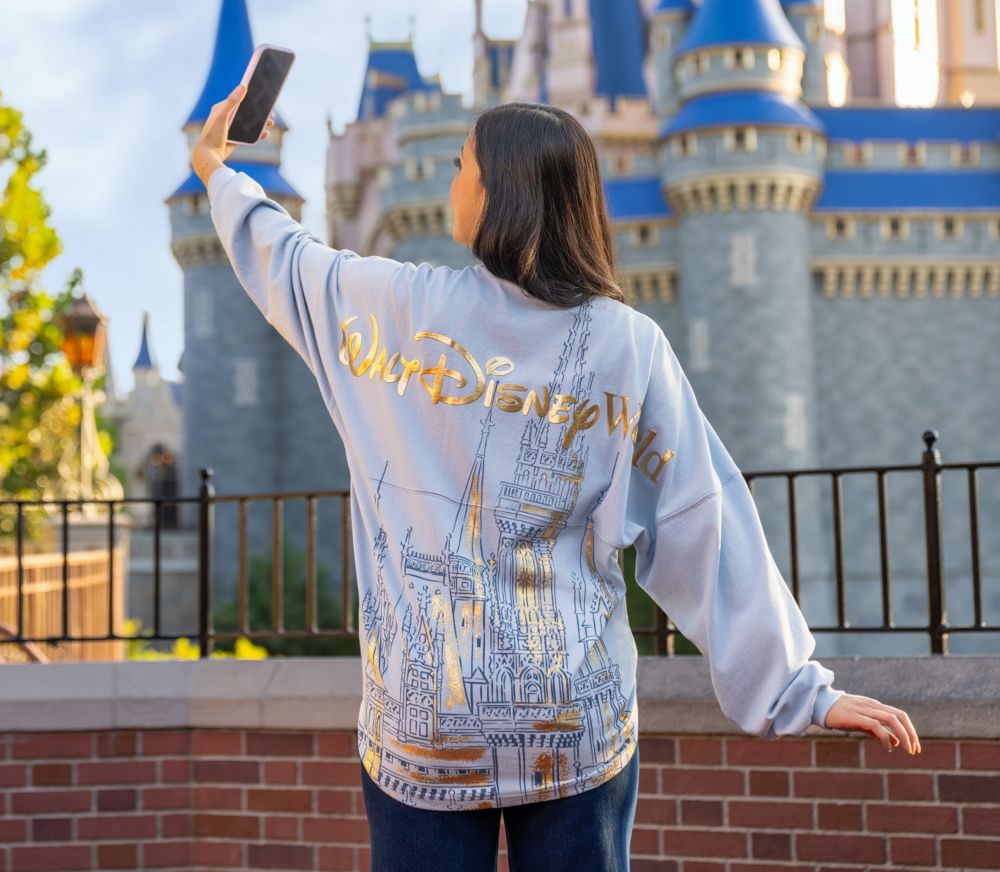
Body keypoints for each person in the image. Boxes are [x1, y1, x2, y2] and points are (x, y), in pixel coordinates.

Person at [193, 84, 921, 872]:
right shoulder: (626, 344)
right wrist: (796, 688)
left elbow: (285, 255)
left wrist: (218, 170)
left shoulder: (396, 307)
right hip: (577, 730)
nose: (451, 183)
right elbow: (699, 516)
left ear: (498, 191)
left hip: (427, 727)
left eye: (462, 165)